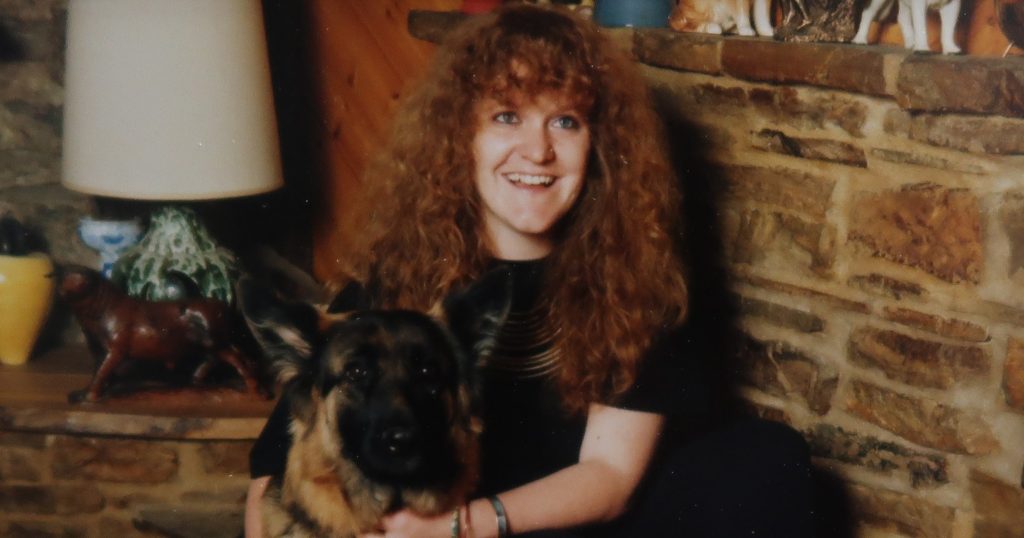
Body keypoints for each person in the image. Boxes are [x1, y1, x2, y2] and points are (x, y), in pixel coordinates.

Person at [246, 4, 815, 538]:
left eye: (565, 122)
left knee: (765, 457)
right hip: (433, 517)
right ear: (459, 137)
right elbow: (275, 475)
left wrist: (462, 526)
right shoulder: (392, 280)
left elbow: (611, 476)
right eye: (507, 116)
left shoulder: (638, 283)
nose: (537, 150)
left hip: (553, 526)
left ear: (599, 145)